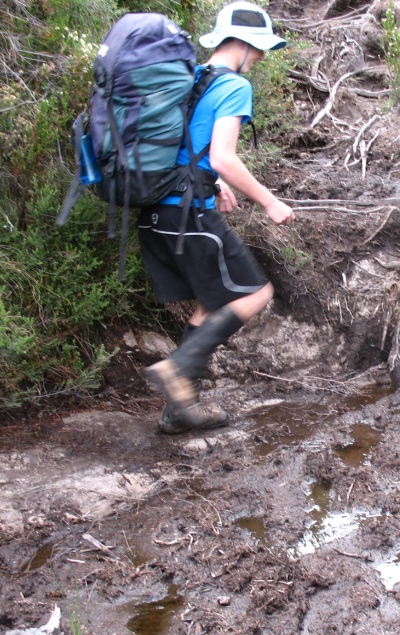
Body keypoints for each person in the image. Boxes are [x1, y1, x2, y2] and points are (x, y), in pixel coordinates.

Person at [139, 1, 295, 434]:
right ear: (243, 44)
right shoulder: (233, 86)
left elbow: (186, 148)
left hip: (158, 212)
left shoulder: (189, 77)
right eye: (260, 48)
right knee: (256, 294)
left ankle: (178, 411)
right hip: (190, 216)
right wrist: (269, 201)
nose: (262, 57)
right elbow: (225, 157)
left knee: (209, 301)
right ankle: (180, 365)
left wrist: (212, 180)